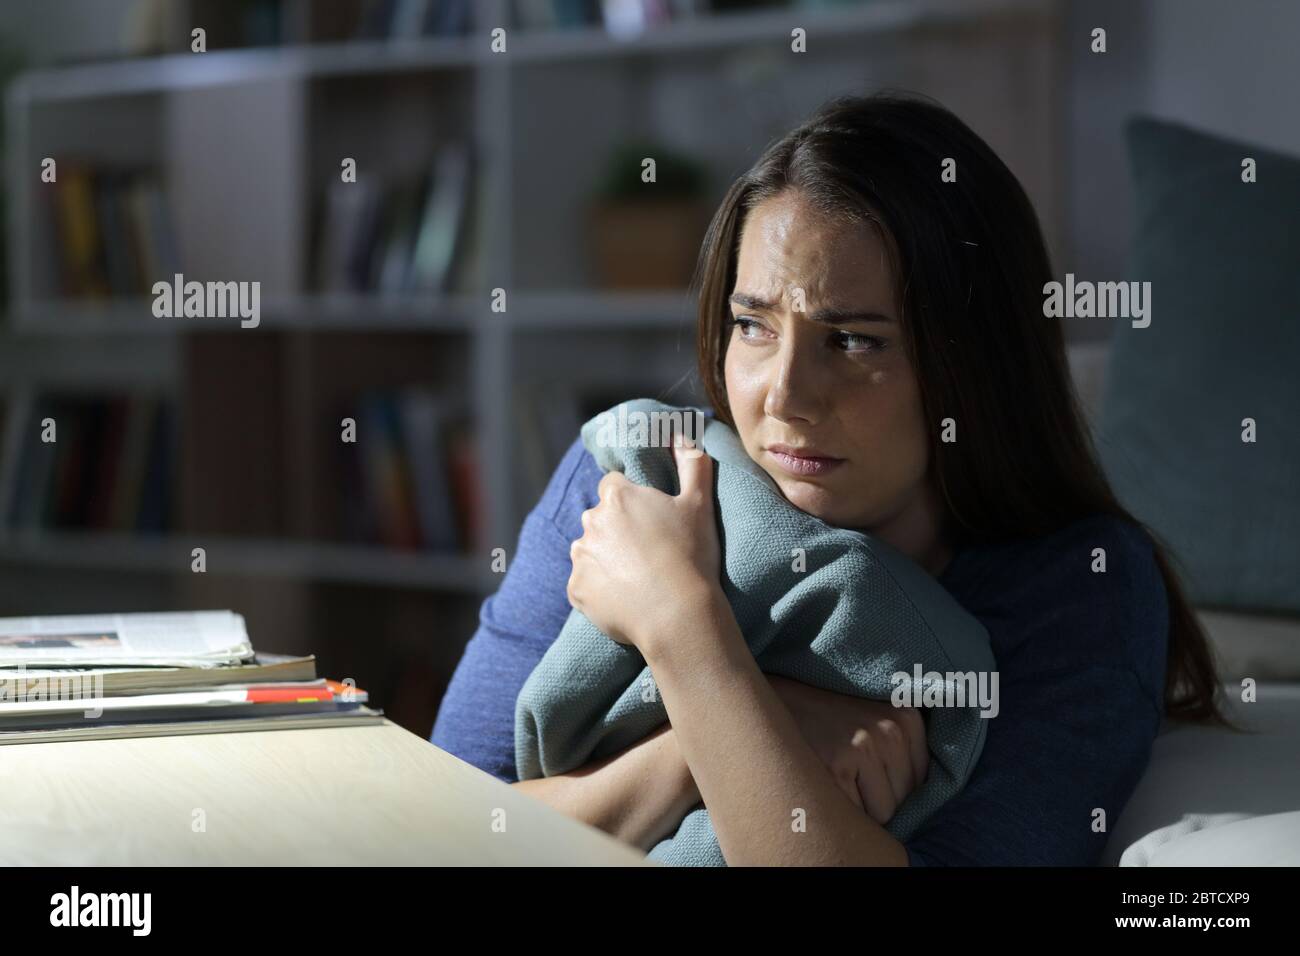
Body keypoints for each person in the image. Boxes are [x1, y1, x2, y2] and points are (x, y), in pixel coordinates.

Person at [431, 92, 1229, 866]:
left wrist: (684, 627)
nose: (783, 396)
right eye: (753, 326)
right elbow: (444, 822)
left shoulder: (1079, 587)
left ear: (975, 364)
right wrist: (704, 748)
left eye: (852, 342)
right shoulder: (633, 476)